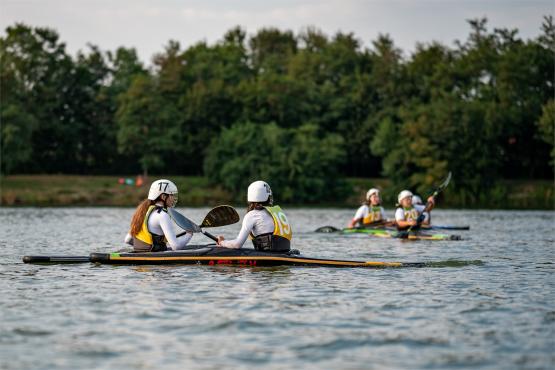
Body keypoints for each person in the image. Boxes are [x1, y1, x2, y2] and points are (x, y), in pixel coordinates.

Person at [217, 180, 291, 253]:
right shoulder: (276, 213)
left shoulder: (252, 215)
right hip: (285, 252)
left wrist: (223, 242)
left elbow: (237, 244)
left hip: (269, 255)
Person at [124, 179, 192, 252]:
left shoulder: (142, 212)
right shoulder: (162, 215)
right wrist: (189, 234)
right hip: (153, 258)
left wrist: (143, 247)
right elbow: (175, 246)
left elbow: (127, 240)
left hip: (141, 253)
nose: (173, 198)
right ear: (163, 196)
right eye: (171, 195)